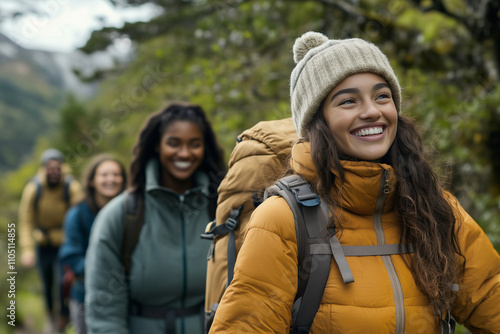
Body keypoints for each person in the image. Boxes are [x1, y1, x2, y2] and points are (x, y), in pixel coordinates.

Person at [210, 32, 500, 333]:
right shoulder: (283, 219)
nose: (372, 111)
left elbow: (489, 297)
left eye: (382, 96)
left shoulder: (436, 208)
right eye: (348, 101)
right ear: (316, 123)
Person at [85, 103, 226, 334]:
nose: (184, 153)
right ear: (157, 146)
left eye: (194, 144)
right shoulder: (121, 215)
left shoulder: (220, 208)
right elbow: (104, 310)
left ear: (204, 148)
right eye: (173, 143)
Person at [59, 154, 127, 334]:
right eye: (104, 175)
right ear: (92, 181)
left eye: (116, 174)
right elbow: (71, 255)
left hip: (128, 296)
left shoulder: (133, 212)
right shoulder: (77, 214)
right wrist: (103, 272)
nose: (110, 179)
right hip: (85, 296)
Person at [18, 148, 84, 333]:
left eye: (57, 167)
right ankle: (50, 315)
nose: (54, 171)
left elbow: (78, 217)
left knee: (64, 282)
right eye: (50, 167)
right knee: (46, 283)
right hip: (42, 244)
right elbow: (25, 220)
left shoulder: (71, 187)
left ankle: (64, 319)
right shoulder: (34, 189)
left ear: (63, 168)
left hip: (65, 244)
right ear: (43, 169)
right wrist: (27, 250)